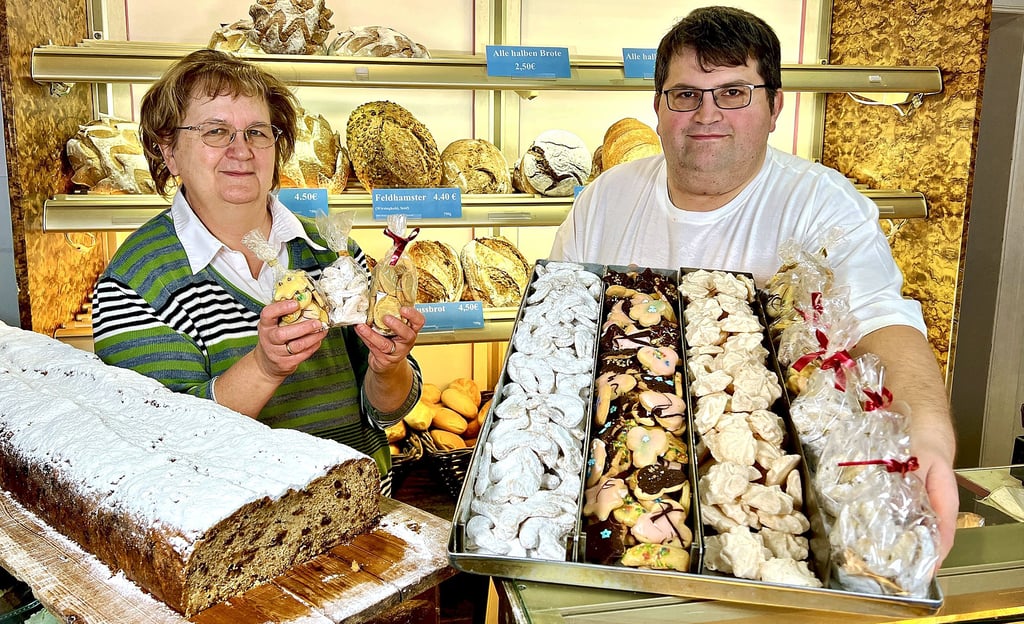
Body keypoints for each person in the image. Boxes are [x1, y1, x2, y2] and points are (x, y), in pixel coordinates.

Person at [551, 6, 958, 562]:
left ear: (775, 106)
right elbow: (559, 332)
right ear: (658, 106)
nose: (706, 114)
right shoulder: (604, 200)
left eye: (734, 92)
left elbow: (880, 320)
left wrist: (928, 429)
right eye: (685, 94)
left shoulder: (819, 203)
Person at [91, 49, 423, 493]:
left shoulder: (333, 251)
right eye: (216, 132)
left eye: (257, 132)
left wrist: (389, 366)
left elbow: (385, 411)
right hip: (238, 532)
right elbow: (163, 441)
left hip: (359, 507)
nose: (241, 150)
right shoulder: (134, 281)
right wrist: (265, 368)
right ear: (168, 151)